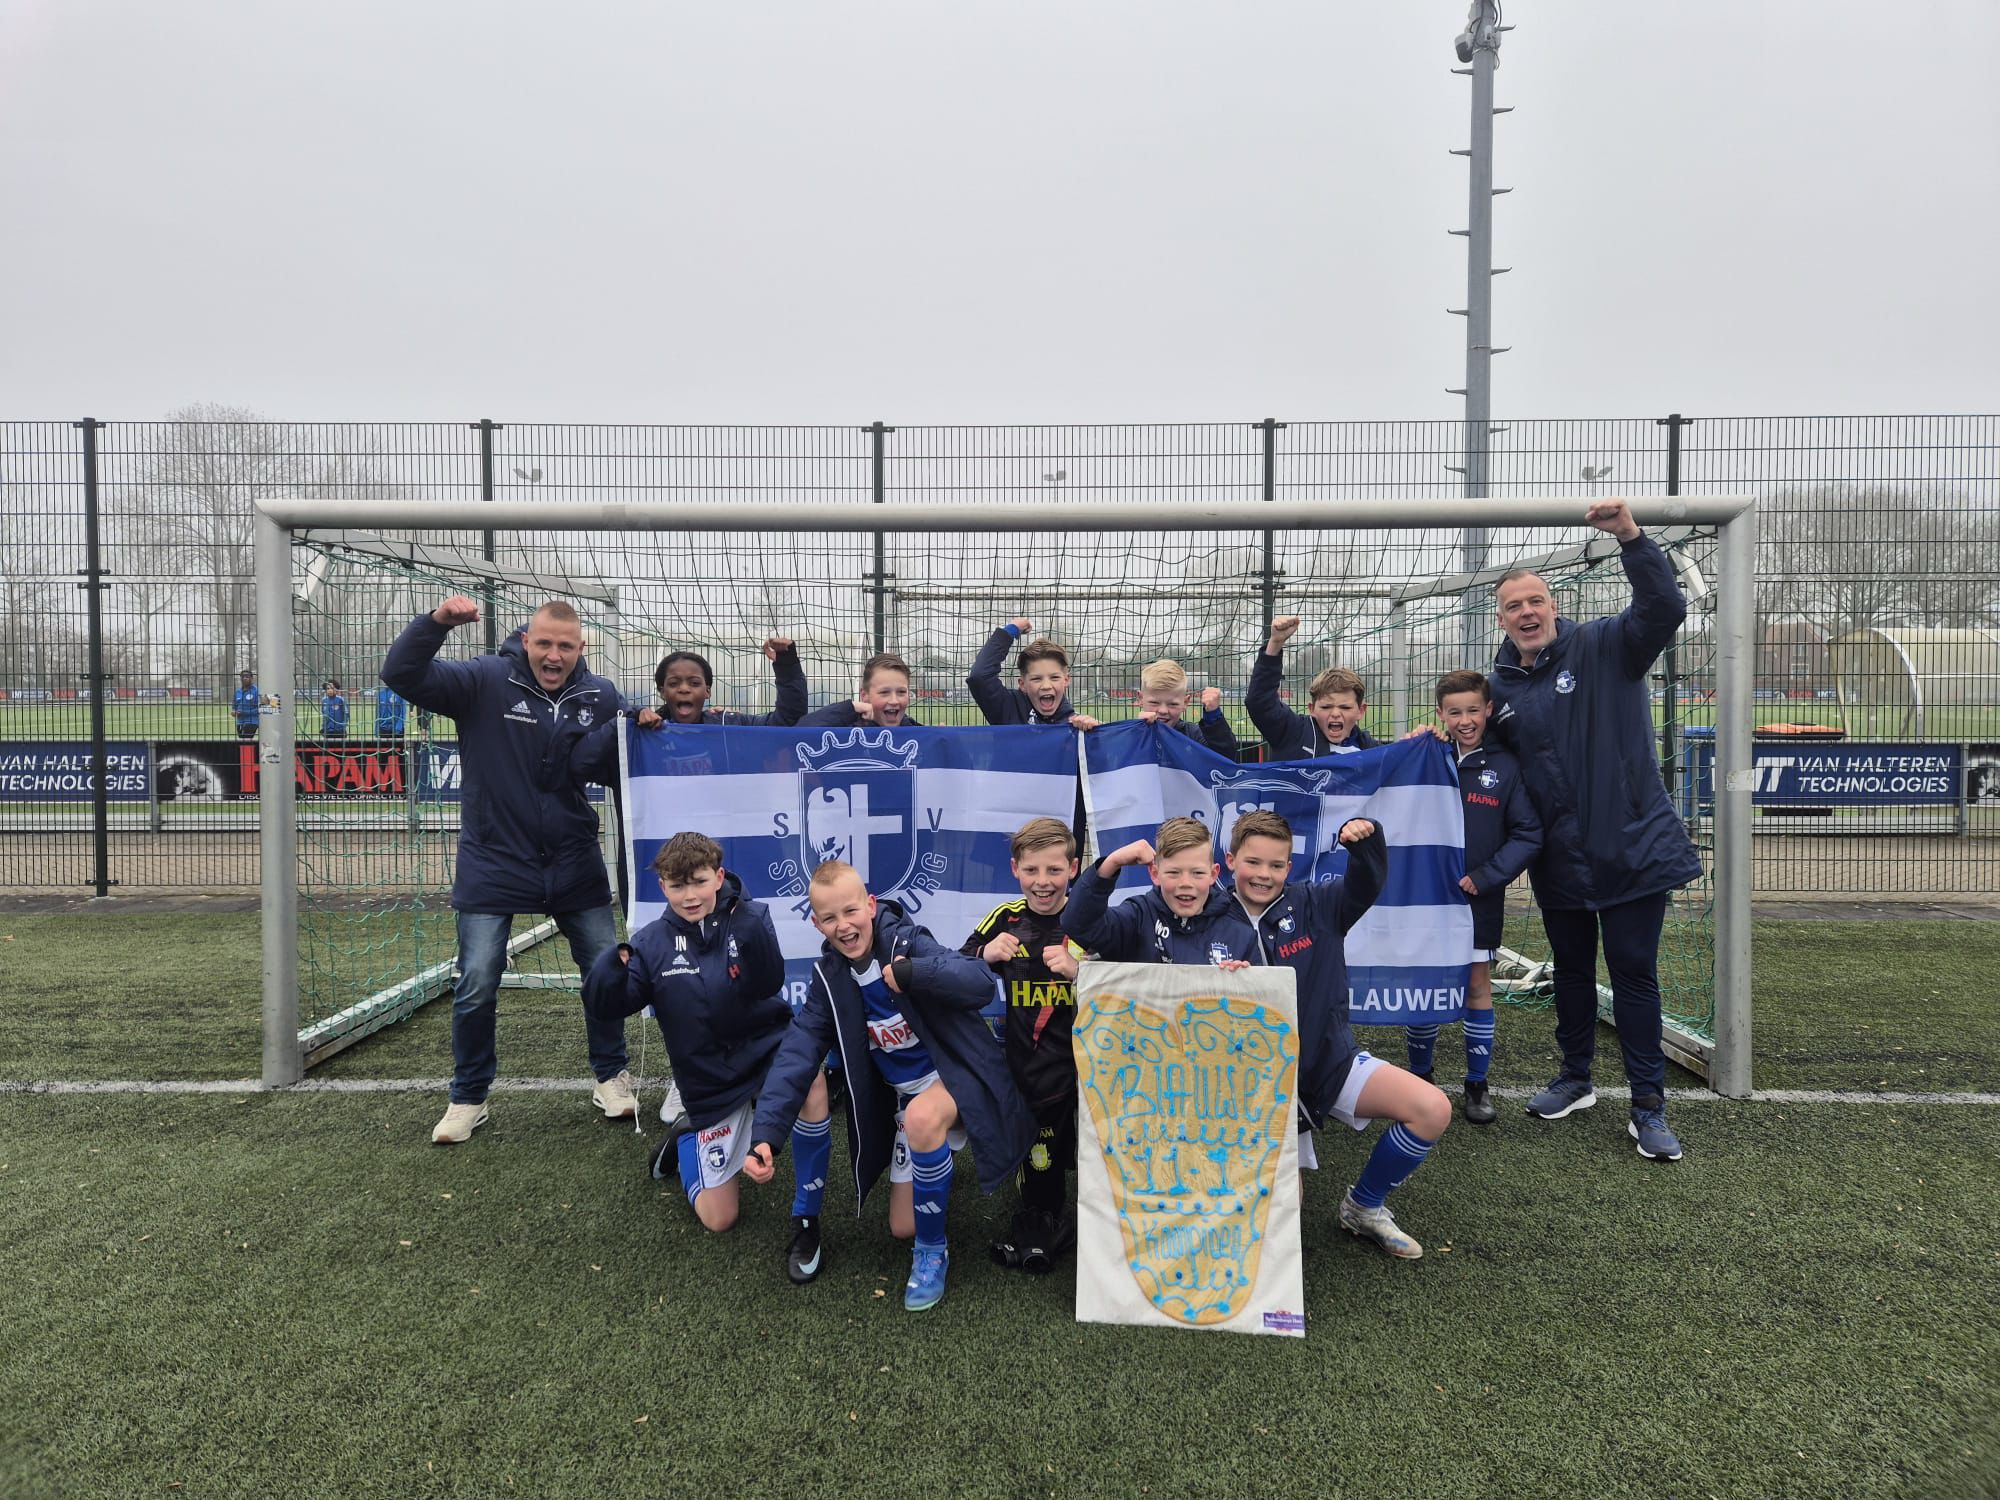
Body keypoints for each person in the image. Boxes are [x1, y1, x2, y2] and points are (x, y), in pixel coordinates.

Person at [1488, 499, 1702, 1161]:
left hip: (1633, 848)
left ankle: (1648, 1107)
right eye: (1512, 606)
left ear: (1552, 605)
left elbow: (1666, 609)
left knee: (1634, 974)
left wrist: (1632, 539)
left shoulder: (1607, 644)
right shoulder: (1500, 692)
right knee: (1574, 973)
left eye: (1535, 600)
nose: (1526, 611)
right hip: (1559, 861)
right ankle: (1575, 1078)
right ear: (1500, 620)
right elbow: (1482, 759)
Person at [380, 594, 637, 1144]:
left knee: (605, 973)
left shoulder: (601, 696)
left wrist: (653, 724)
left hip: (573, 858)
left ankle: (611, 1076)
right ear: (527, 640)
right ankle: (468, 1097)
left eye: (565, 646)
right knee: (475, 982)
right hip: (494, 859)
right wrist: (436, 624)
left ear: (580, 648)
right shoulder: (485, 680)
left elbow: (632, 755)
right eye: (544, 642)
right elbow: (401, 673)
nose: (553, 654)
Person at [743, 860, 1035, 1311]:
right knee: (902, 1225)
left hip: (956, 1078)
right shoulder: (829, 979)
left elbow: (978, 982)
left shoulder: (907, 942)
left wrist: (915, 974)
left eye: (851, 911)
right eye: (830, 917)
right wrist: (765, 1137)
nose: (844, 926)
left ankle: (933, 1254)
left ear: (871, 906)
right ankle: (934, 1158)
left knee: (922, 1120)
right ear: (816, 923)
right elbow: (797, 1054)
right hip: (906, 1099)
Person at [581, 833, 834, 1273]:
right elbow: (612, 1006)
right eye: (677, 886)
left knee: (810, 1078)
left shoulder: (750, 917)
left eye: (698, 881)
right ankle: (686, 1140)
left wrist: (753, 936)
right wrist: (609, 969)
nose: (690, 895)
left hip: (767, 1048)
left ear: (718, 877)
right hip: (709, 1079)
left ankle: (807, 1217)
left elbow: (768, 984)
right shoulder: (651, 944)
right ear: (662, 887)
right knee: (721, 1220)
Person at [1224, 810, 1449, 1259]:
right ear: (1230, 861)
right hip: (1251, 1087)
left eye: (1275, 865)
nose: (1263, 875)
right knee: (1278, 1232)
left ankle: (1363, 1206)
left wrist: (1366, 843)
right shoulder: (1209, 917)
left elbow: (1366, 884)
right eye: (1253, 862)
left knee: (1432, 1108)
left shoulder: (1318, 904)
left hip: (1329, 1063)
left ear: (1290, 868)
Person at [1405, 670, 1543, 1125]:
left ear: (1487, 710)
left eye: (1472, 711)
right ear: (1440, 714)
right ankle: (1419, 1078)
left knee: (1477, 986)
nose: (1464, 720)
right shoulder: (1427, 756)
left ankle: (1476, 1084)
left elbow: (1528, 833)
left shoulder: (1505, 767)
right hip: (1425, 899)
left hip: (1475, 900)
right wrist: (1411, 745)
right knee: (1423, 986)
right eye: (1453, 712)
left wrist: (1487, 876)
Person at [961, 817, 1084, 1273]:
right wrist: (985, 955)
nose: (1043, 882)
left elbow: (1124, 987)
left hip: (1090, 1071)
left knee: (1096, 1158)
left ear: (1073, 868)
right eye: (1032, 870)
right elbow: (958, 967)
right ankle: (1043, 1222)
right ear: (1015, 869)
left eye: (1054, 870)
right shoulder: (1006, 919)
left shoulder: (1086, 921)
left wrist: (1080, 971)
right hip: (1032, 1073)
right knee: (1041, 1159)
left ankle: (1082, 1225)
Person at [1247, 617, 1377, 758]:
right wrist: (1275, 644)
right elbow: (1259, 703)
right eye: (1326, 707)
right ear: (1312, 709)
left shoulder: (1371, 751)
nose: (1335, 713)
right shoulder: (1294, 733)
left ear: (1361, 710)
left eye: (1345, 707)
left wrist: (1405, 748)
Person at [966, 621, 1096, 728]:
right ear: (1022, 684)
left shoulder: (1075, 726)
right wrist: (1011, 630)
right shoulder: (1007, 709)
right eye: (1036, 679)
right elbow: (979, 676)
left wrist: (1096, 734)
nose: (1046, 686)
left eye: (1054, 677)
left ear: (1066, 680)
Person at [653, 638, 807, 726]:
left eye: (694, 683)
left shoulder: (727, 724)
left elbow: (786, 721)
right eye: (674, 683)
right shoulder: (646, 730)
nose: (684, 689)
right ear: (662, 692)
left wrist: (787, 667)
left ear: (707, 691)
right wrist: (639, 714)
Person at [1129, 660, 1239, 758]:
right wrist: (1139, 731)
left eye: (1172, 704)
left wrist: (1213, 715)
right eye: (1154, 702)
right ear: (1140, 698)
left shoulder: (1192, 735)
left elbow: (1226, 756)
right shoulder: (1128, 735)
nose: (1163, 711)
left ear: (1185, 702)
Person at [798, 652, 924, 729]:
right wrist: (850, 708)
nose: (894, 700)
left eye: (901, 692)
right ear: (864, 695)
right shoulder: (849, 732)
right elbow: (796, 734)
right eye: (884, 692)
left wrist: (940, 739)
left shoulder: (918, 734)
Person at [232, 670, 261, 740]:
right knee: (243, 742)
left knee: (246, 740)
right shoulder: (237, 692)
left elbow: (260, 708)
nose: (244, 678)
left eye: (247, 676)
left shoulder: (257, 691)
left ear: (251, 678)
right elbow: (234, 707)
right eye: (242, 677)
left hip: (252, 721)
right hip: (240, 722)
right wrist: (234, 712)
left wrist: (244, 712)